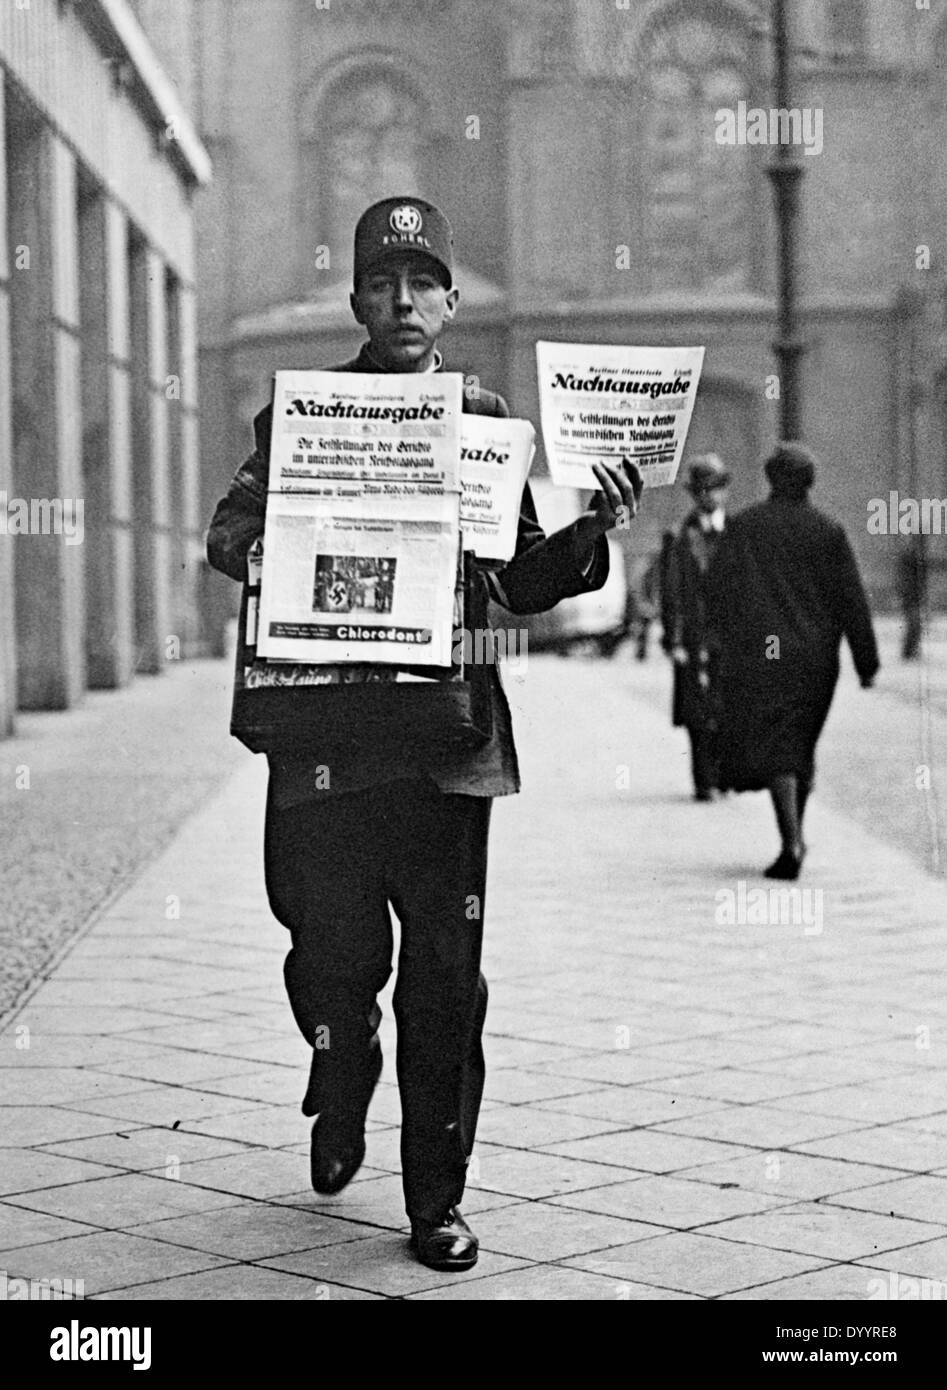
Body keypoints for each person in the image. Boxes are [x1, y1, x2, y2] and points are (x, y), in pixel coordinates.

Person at [206, 196, 643, 1272]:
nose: (403, 300)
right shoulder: (301, 416)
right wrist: (292, 535)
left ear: (449, 299)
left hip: (448, 743)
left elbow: (521, 578)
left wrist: (589, 526)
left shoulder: (483, 419)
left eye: (423, 282)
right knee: (328, 954)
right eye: (381, 283)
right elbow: (227, 534)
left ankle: (433, 1201)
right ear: (356, 299)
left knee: (446, 977)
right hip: (329, 738)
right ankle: (341, 1062)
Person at [707, 441, 879, 879]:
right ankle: (794, 836)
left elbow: (718, 592)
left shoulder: (744, 527)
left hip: (766, 652)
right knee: (800, 743)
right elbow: (851, 600)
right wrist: (866, 661)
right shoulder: (828, 530)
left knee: (780, 745)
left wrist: (724, 643)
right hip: (817, 658)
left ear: (770, 478)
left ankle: (792, 842)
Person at [665, 454, 731, 800]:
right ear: (695, 494)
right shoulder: (679, 536)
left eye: (716, 489)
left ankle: (722, 775)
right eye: (703, 490)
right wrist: (674, 640)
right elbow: (672, 592)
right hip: (693, 636)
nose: (710, 496)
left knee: (726, 704)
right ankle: (703, 780)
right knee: (696, 710)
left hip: (728, 635)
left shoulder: (736, 533)